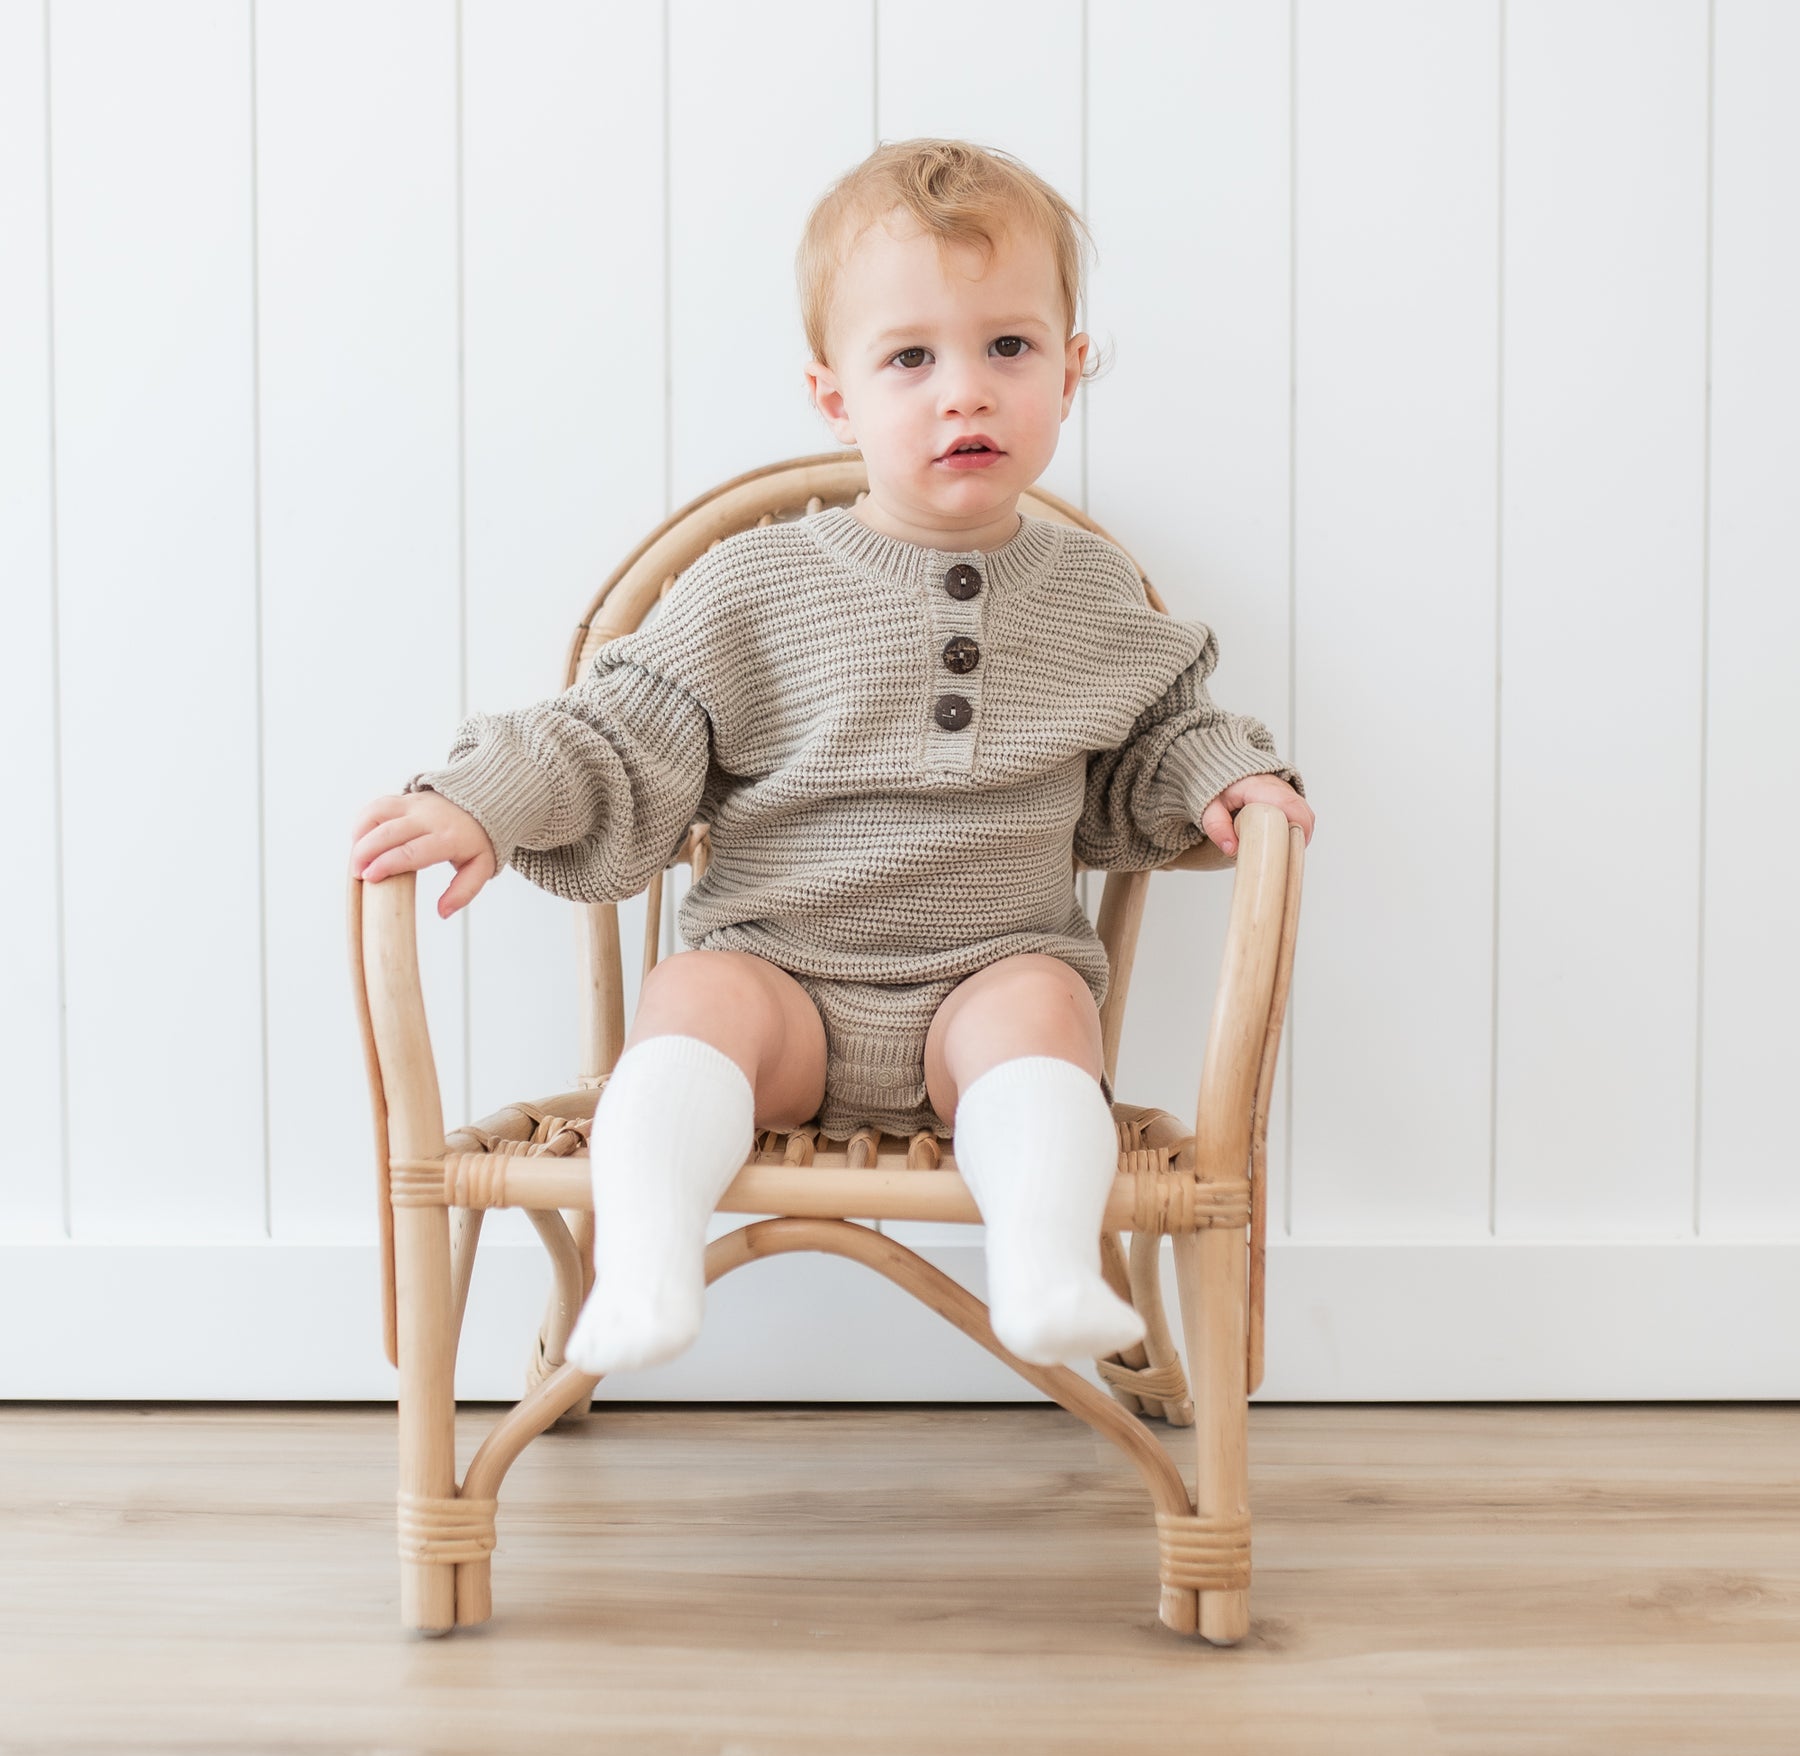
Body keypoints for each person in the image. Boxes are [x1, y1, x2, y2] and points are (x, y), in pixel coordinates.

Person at [348, 139, 1314, 1381]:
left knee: (1047, 1012)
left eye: (1008, 348)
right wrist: (484, 798)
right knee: (689, 1000)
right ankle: (642, 1264)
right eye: (911, 358)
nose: (963, 392)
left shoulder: (1090, 593)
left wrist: (1221, 775)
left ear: (1070, 374)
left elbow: (1159, 736)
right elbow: (614, 731)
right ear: (834, 395)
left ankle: (1044, 1267)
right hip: (785, 988)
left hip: (983, 982)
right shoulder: (755, 585)